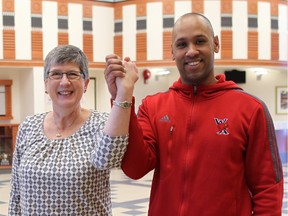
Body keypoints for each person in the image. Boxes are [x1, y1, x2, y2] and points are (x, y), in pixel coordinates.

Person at [104, 13, 284, 215]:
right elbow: (135, 169)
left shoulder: (251, 109)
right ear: (172, 52)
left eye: (200, 41)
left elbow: (267, 188)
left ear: (215, 44)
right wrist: (122, 96)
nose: (191, 51)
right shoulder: (153, 107)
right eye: (181, 45)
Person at [8, 45, 138, 215]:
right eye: (56, 74)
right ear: (46, 84)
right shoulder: (29, 126)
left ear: (85, 83)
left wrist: (124, 92)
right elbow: (16, 192)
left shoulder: (101, 123)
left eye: (72, 74)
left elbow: (110, 159)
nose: (64, 82)